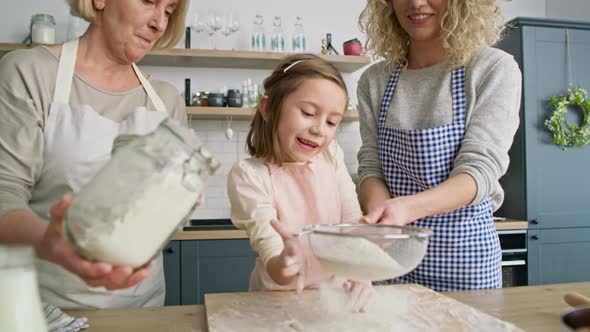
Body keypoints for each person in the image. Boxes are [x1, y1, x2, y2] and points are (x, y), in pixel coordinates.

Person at [0, 0, 189, 308]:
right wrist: (52, 242)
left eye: (169, 10)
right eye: (149, 1)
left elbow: (162, 214)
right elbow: (4, 192)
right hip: (46, 311)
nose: (160, 23)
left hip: (145, 312)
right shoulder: (29, 72)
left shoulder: (166, 100)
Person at [356, 0, 522, 291]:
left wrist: (405, 209)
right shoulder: (374, 80)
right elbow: (371, 166)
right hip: (390, 261)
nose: (416, 3)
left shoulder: (491, 68)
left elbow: (479, 170)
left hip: (464, 264)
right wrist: (381, 215)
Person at [228, 54, 373, 311]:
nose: (319, 129)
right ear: (268, 108)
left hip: (337, 300)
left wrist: (361, 270)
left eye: (331, 122)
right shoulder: (249, 175)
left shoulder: (331, 156)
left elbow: (352, 223)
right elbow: (271, 252)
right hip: (277, 303)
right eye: (308, 113)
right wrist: (287, 263)